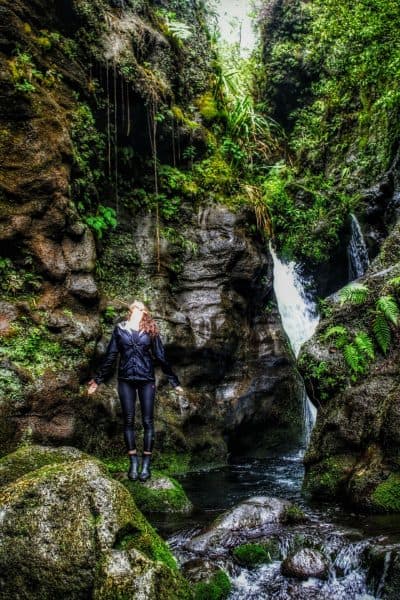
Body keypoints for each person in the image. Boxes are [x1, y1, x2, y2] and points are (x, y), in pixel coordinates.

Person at [87, 300, 184, 482]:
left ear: (144, 312)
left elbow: (161, 357)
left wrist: (174, 382)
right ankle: (133, 462)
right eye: (136, 307)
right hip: (125, 380)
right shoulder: (120, 329)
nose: (139, 309)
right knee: (129, 421)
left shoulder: (150, 329)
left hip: (146, 380)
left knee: (148, 421)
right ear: (130, 311)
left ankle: (146, 464)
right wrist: (97, 381)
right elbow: (111, 356)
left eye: (142, 307)